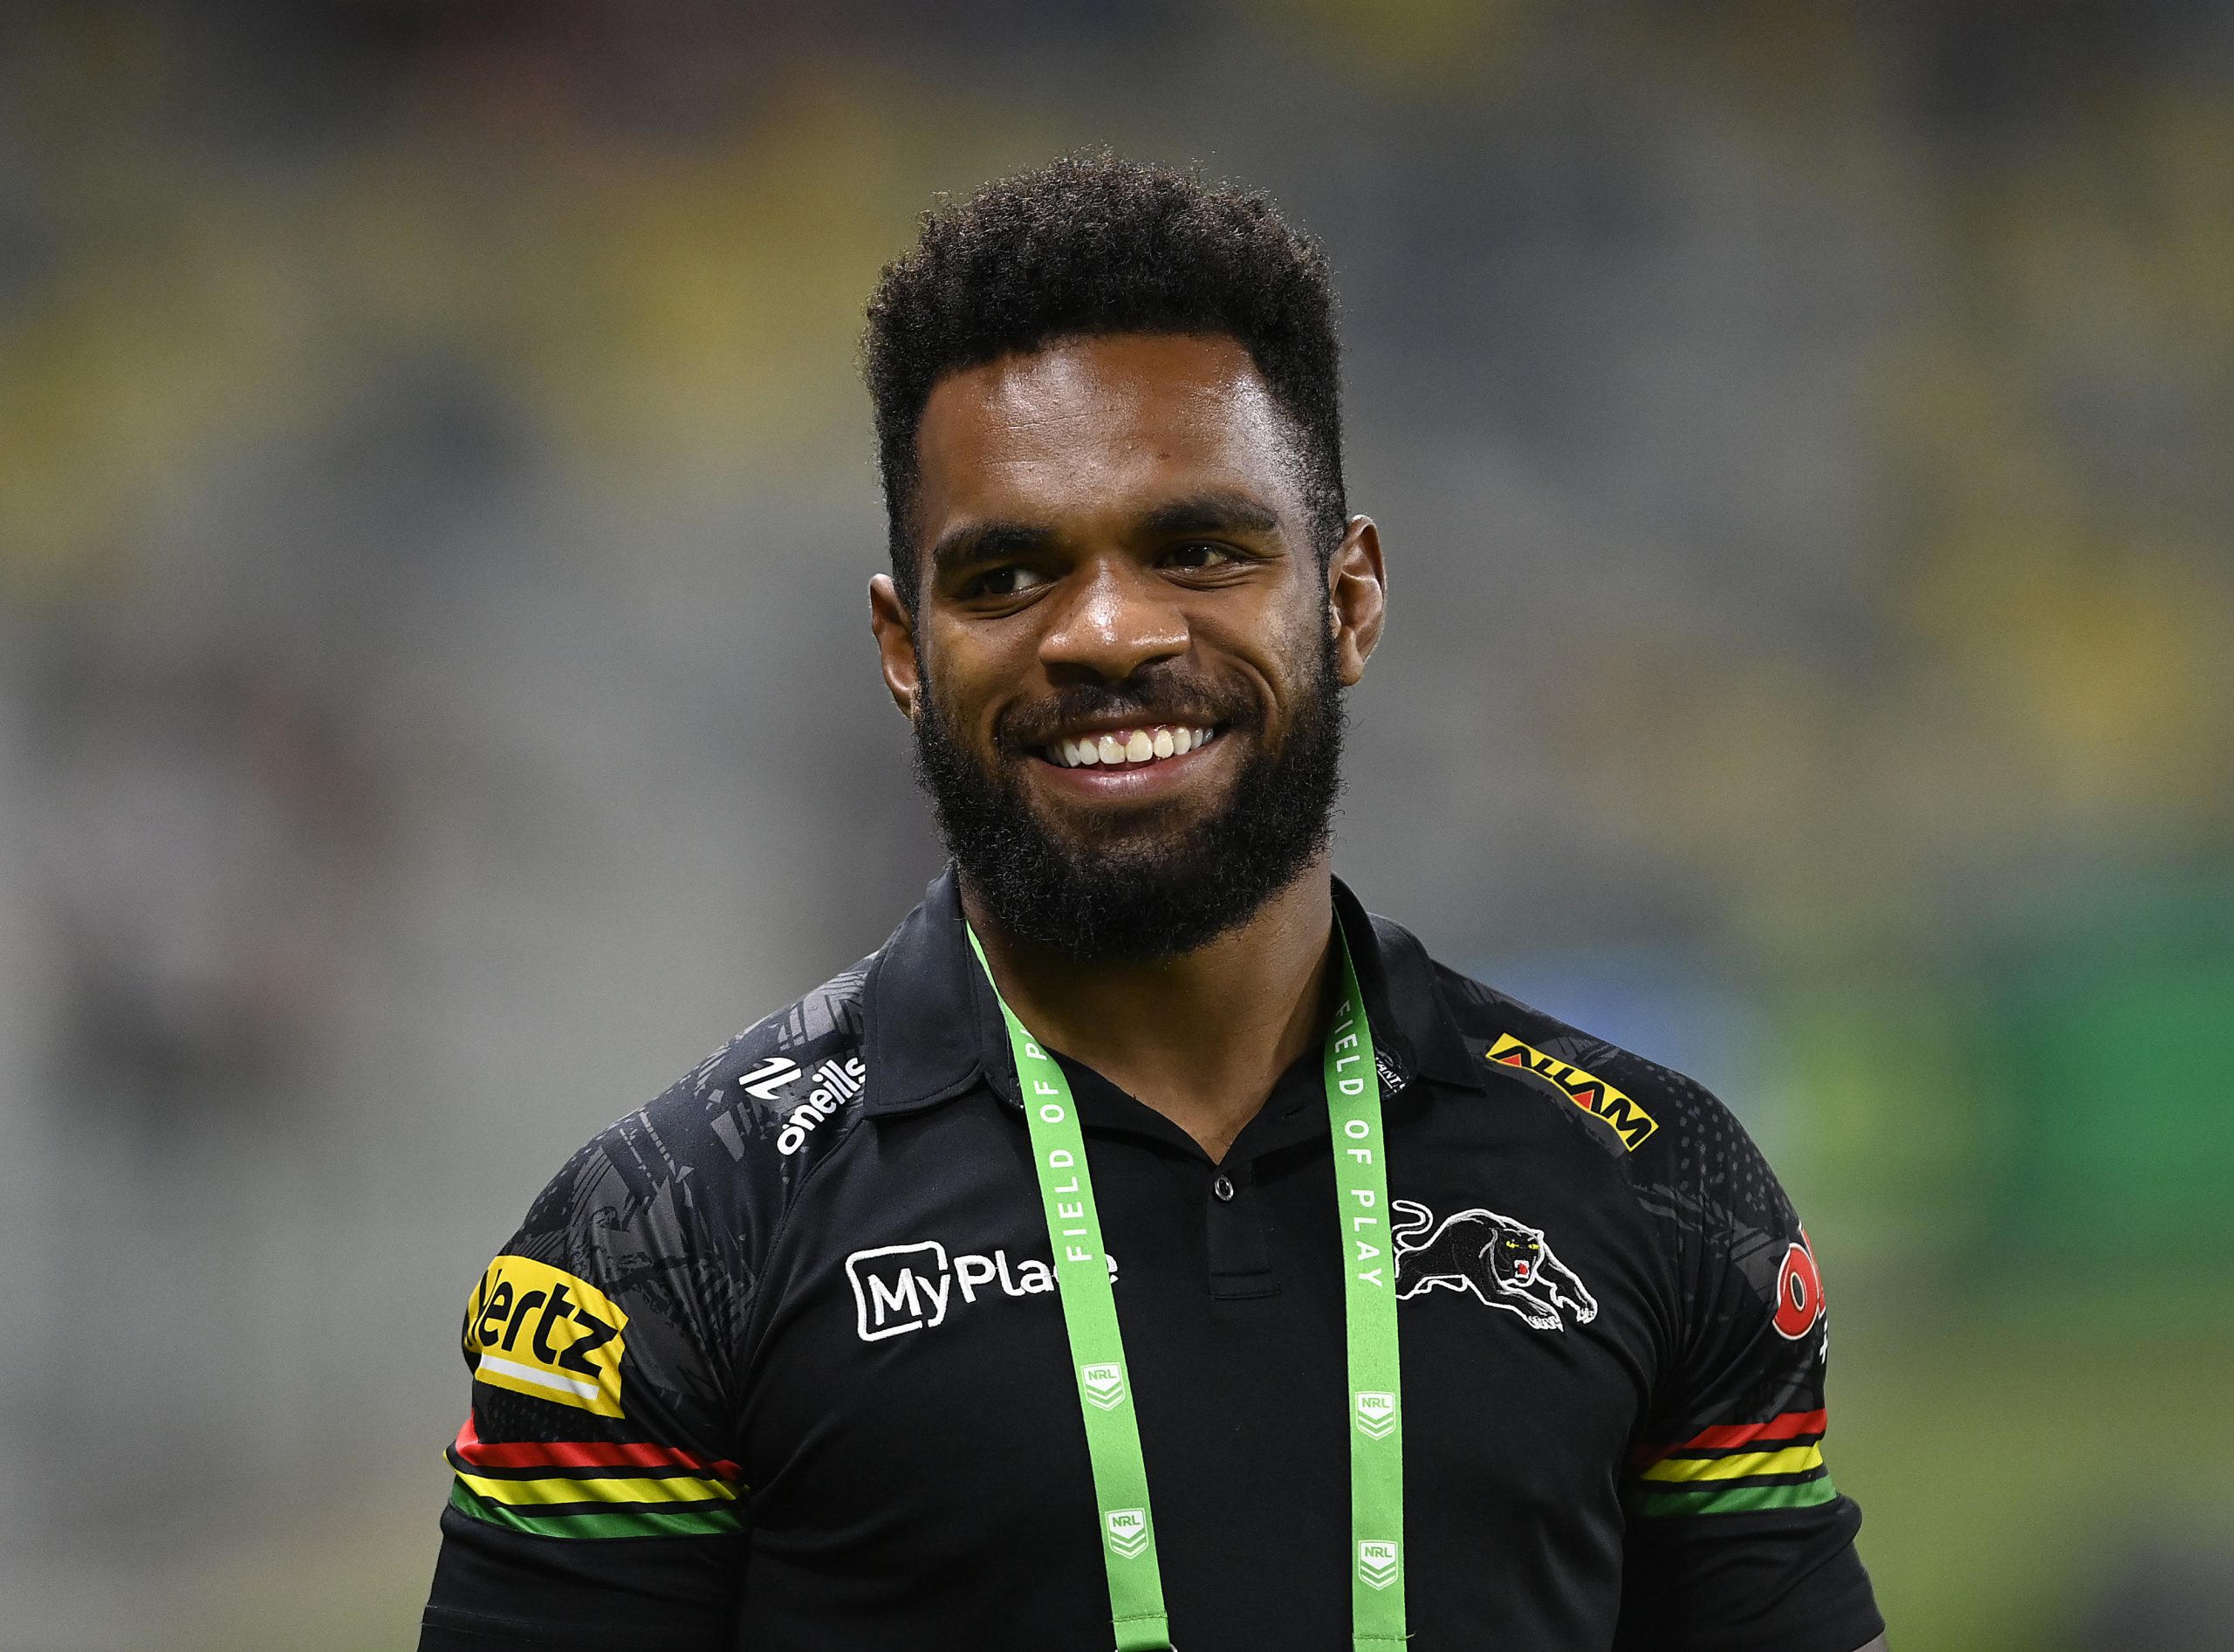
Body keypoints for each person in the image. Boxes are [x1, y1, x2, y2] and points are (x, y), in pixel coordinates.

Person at [419, 154, 1888, 1652]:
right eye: (1006, 576)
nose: (1110, 632)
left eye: (1199, 549)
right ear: (903, 645)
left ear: (1349, 597)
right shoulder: (667, 1232)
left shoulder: (1657, 1184)